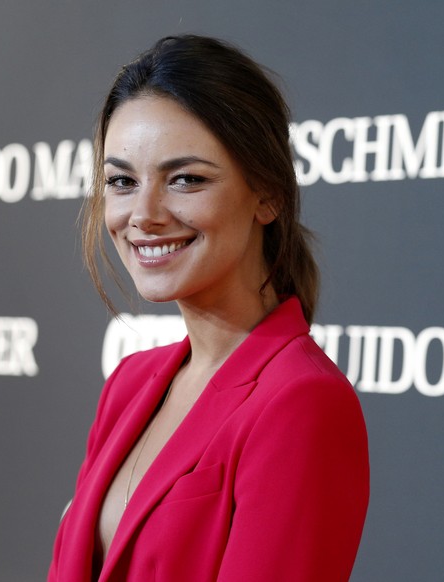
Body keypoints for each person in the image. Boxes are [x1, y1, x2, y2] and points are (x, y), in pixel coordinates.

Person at [49, 34, 369, 582]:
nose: (143, 214)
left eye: (186, 179)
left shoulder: (301, 402)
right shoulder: (130, 383)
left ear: (267, 194)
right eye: (122, 181)